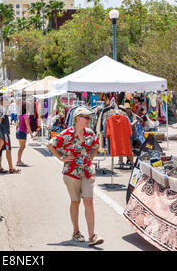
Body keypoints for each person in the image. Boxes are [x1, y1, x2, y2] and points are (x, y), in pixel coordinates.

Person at [47, 107, 104, 247]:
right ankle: (76, 231)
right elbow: (50, 144)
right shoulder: (66, 134)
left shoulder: (90, 133)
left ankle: (92, 236)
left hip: (87, 172)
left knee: (88, 201)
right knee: (75, 201)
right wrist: (61, 157)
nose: (89, 121)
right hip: (71, 172)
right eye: (87, 118)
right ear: (78, 118)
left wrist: (91, 156)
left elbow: (96, 145)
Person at [0, 96, 21, 174]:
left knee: (0, 150)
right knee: (8, 150)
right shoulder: (3, 109)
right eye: (7, 101)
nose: (8, 102)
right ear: (3, 101)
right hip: (4, 133)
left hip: (0, 133)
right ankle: (11, 167)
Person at [118, 103, 140, 167]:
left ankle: (130, 161)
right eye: (126, 109)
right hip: (123, 134)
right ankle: (121, 161)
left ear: (130, 109)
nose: (127, 110)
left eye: (128, 108)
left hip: (129, 134)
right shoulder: (122, 115)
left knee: (129, 149)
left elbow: (132, 123)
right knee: (122, 148)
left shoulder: (133, 116)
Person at [16, 101, 34, 167]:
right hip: (22, 132)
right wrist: (31, 134)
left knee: (22, 147)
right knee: (22, 147)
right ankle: (18, 161)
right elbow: (27, 125)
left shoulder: (21, 115)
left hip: (20, 131)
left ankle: (19, 161)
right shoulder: (25, 115)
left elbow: (19, 123)